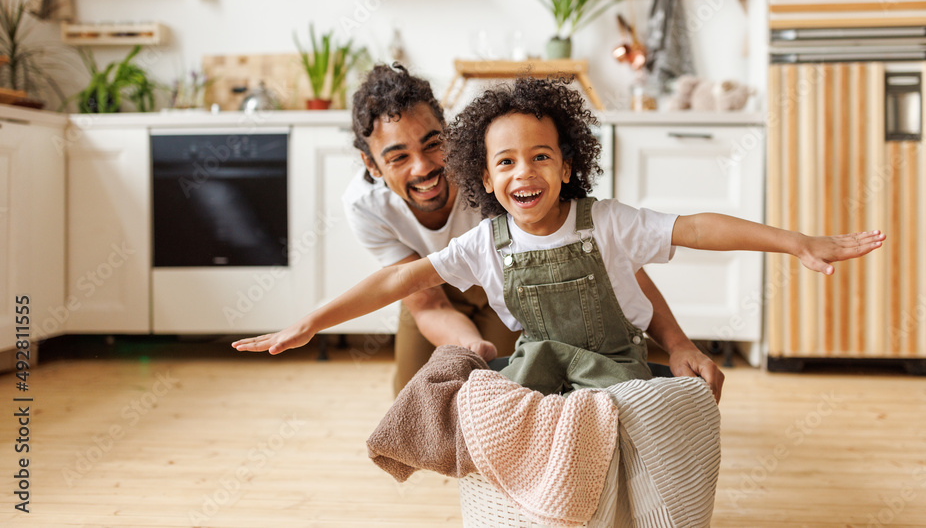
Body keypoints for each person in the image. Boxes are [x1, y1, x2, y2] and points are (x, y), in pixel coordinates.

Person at [234, 76, 885, 395]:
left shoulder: (600, 218)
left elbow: (690, 230)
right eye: (398, 157)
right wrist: (315, 321)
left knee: (638, 398)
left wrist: (798, 240)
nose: (425, 167)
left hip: (597, 351)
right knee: (448, 389)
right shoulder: (470, 239)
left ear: (568, 163)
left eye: (541, 157)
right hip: (466, 305)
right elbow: (406, 285)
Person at [340, 64, 725, 399]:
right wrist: (468, 345)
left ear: (450, 133)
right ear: (371, 165)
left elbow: (615, 264)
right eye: (398, 157)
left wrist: (678, 344)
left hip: (513, 287)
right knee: (413, 391)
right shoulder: (365, 206)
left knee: (526, 381)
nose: (423, 168)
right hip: (432, 287)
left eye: (433, 144)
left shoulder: (498, 173)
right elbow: (428, 302)